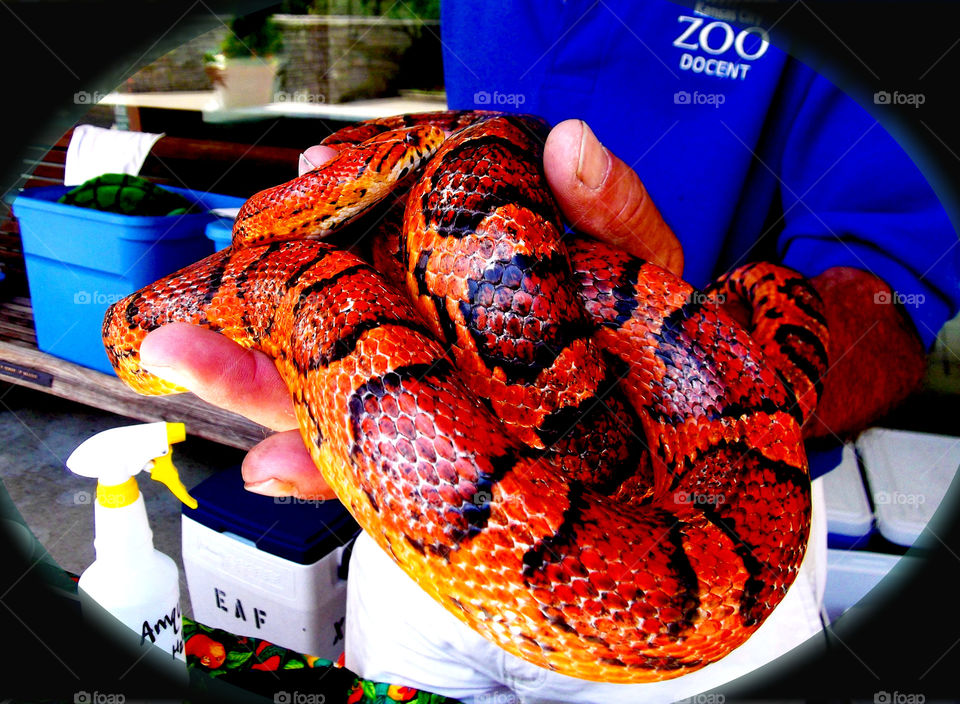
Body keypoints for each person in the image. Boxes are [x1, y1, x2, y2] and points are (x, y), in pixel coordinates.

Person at [137, 1, 960, 702]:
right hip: (414, 527)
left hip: (707, 575)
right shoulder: (346, 199)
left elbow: (892, 290)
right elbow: (457, 173)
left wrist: (707, 371)